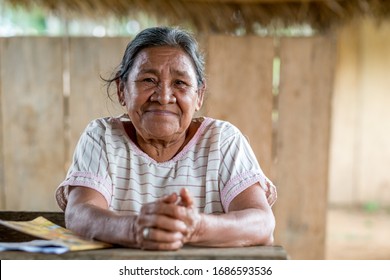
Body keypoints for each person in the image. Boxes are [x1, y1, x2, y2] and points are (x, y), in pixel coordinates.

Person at [55, 26, 277, 251]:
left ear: (199, 96)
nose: (163, 97)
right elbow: (79, 214)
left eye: (180, 83)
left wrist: (195, 227)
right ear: (122, 89)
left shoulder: (223, 141)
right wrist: (136, 229)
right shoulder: (102, 137)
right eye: (149, 80)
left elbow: (261, 224)